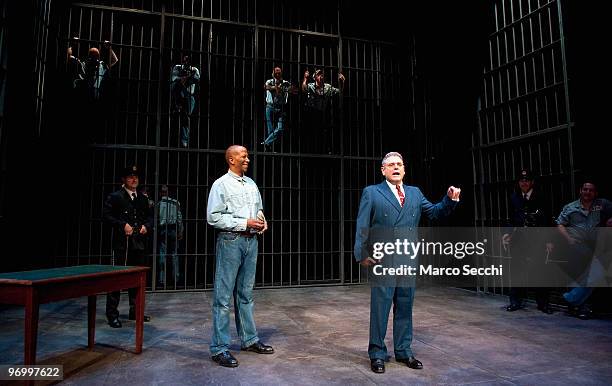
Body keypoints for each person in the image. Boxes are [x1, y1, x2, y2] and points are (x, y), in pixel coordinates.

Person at [353, 152, 460, 374]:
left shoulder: (414, 193)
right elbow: (361, 223)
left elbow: (435, 213)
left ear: (404, 169)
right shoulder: (372, 192)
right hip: (383, 259)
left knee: (405, 307)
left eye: (399, 164)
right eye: (390, 165)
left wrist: (449, 200)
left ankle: (403, 351)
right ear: (383, 170)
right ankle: (377, 353)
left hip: (408, 259)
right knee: (380, 308)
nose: (395, 168)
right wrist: (361, 253)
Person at [206, 145, 274, 367]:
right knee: (223, 296)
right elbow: (213, 217)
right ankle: (219, 348)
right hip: (231, 241)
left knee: (246, 293)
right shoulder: (221, 184)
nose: (247, 159)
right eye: (243, 156)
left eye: (247, 155)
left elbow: (259, 209)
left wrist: (261, 220)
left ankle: (249, 339)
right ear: (231, 159)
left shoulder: (251, 184)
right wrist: (244, 222)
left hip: (251, 241)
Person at [103, 165, 153, 328]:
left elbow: (150, 217)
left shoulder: (143, 198)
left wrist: (147, 226)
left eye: (136, 177)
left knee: (137, 278)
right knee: (117, 278)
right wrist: (122, 224)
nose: (134, 180)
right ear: (123, 180)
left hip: (138, 243)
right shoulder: (116, 196)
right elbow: (107, 216)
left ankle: (135, 311)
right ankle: (112, 314)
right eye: (130, 177)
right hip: (121, 244)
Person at [556, 180, 612, 319]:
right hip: (577, 245)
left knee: (597, 271)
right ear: (580, 191)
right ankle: (579, 306)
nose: (587, 192)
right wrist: (569, 239)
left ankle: (572, 299)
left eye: (591, 190)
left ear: (596, 193)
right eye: (585, 189)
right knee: (586, 271)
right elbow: (560, 224)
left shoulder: (602, 204)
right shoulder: (570, 207)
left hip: (597, 244)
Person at [502, 169, 554, 314]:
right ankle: (515, 302)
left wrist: (549, 240)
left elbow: (548, 219)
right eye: (521, 180)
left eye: (526, 180)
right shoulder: (514, 197)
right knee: (516, 270)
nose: (524, 183)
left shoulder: (541, 196)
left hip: (537, 238)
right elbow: (511, 219)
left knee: (540, 271)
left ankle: (543, 304)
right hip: (519, 238)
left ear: (532, 182)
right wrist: (507, 233)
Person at [301, 68, 345, 153]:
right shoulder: (311, 86)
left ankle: (325, 150)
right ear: (314, 77)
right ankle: (309, 150)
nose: (321, 75)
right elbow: (304, 89)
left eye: (322, 74)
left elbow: (340, 92)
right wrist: (305, 78)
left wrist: (342, 82)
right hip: (311, 112)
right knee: (311, 132)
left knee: (323, 132)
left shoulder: (328, 87)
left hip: (322, 113)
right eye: (318, 74)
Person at [261, 66, 296, 148]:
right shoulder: (269, 81)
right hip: (270, 106)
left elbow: (293, 90)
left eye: (279, 71)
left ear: (281, 73)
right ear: (273, 73)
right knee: (270, 130)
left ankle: (266, 143)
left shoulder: (286, 83)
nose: (277, 73)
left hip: (281, 108)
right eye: (275, 71)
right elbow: (266, 87)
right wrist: (275, 87)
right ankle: (270, 148)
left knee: (280, 128)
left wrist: (289, 89)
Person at [156, 184, 184, 286]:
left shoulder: (158, 204)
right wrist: (180, 231)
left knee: (162, 254)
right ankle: (176, 279)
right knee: (174, 254)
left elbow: (156, 219)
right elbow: (179, 219)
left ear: (160, 193)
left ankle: (161, 280)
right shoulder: (176, 203)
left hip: (163, 229)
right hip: (173, 229)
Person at [171, 54, 200, 147]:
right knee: (175, 85)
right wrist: (184, 77)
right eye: (185, 60)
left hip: (189, 96)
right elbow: (174, 79)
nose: (186, 62)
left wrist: (186, 78)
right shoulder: (178, 67)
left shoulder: (194, 69)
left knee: (186, 117)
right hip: (179, 94)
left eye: (188, 60)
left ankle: (184, 140)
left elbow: (196, 79)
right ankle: (178, 105)